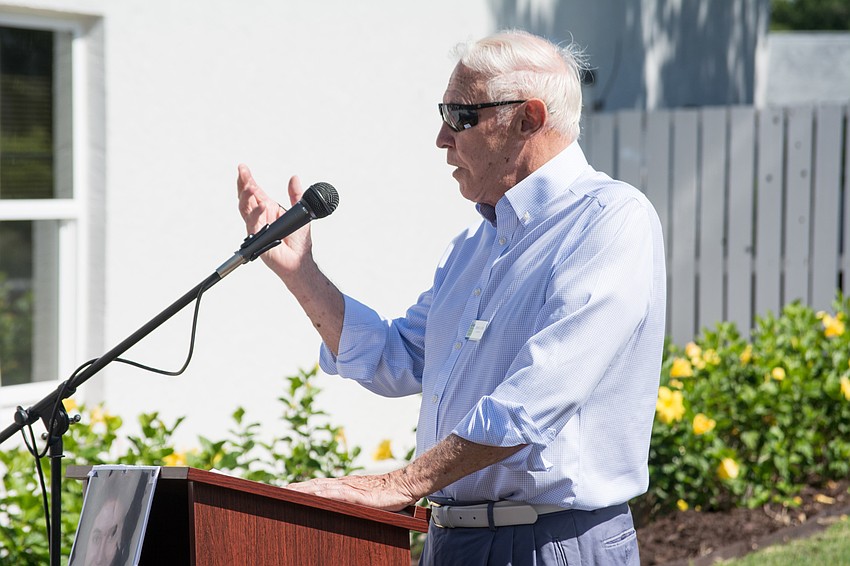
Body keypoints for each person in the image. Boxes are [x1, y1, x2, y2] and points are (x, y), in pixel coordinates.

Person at [236, 29, 665, 565]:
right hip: (450, 541)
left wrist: (398, 483)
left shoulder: (609, 221)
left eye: (460, 115)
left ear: (528, 117)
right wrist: (302, 272)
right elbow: (399, 359)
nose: (442, 137)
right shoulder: (473, 245)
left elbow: (533, 403)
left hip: (551, 542)